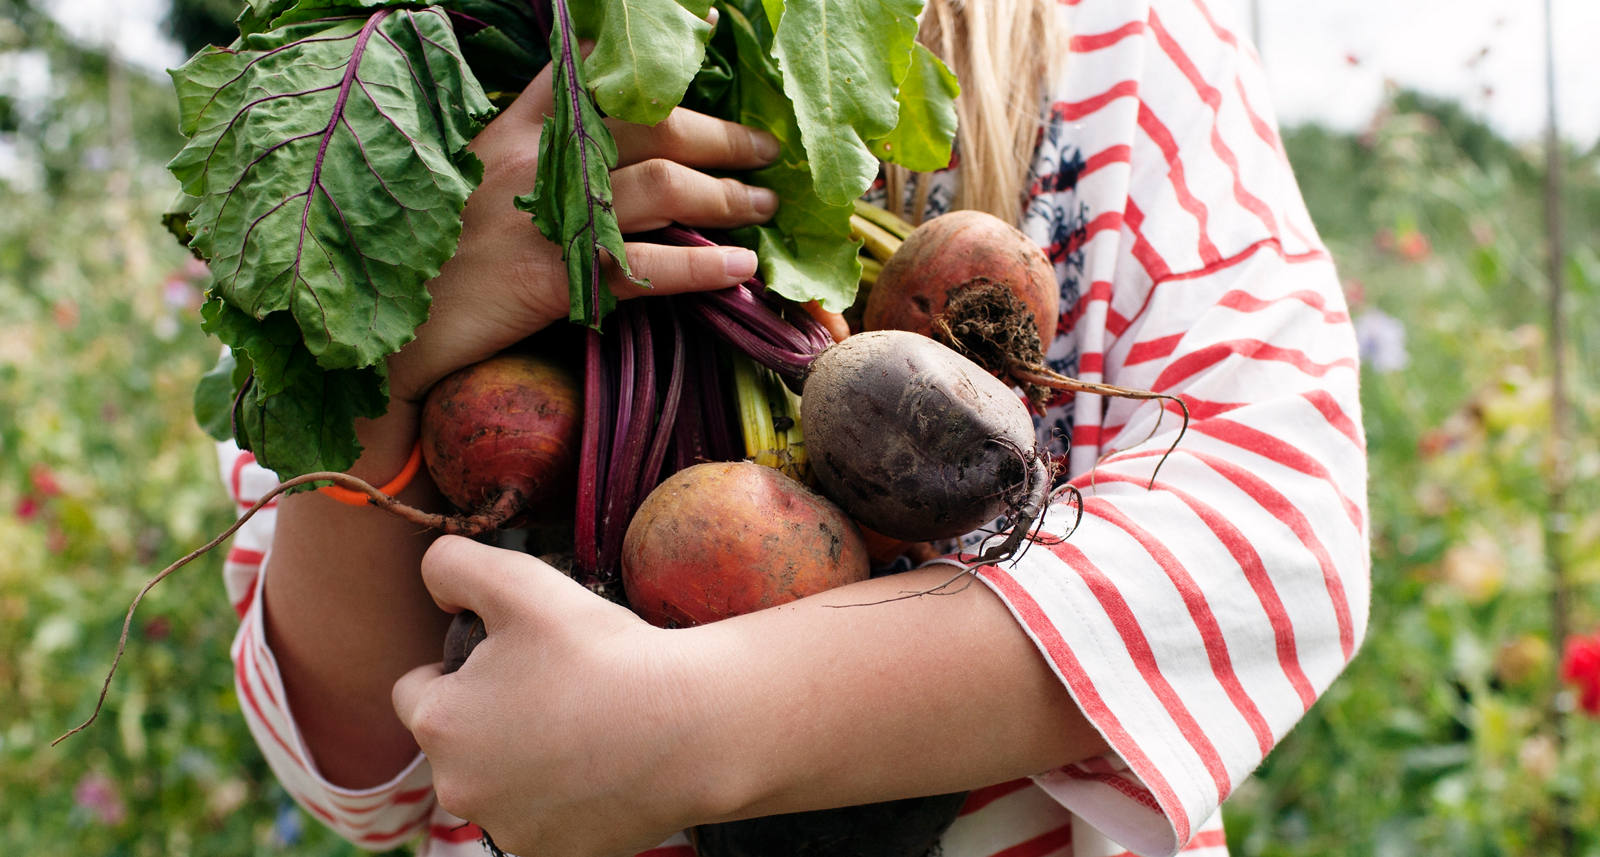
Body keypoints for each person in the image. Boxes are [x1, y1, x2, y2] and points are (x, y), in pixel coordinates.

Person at [215, 1, 1370, 855]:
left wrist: (704, 722)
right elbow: (360, 769)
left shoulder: (1112, 48)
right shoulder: (423, 112)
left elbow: (1279, 531)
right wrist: (395, 324)